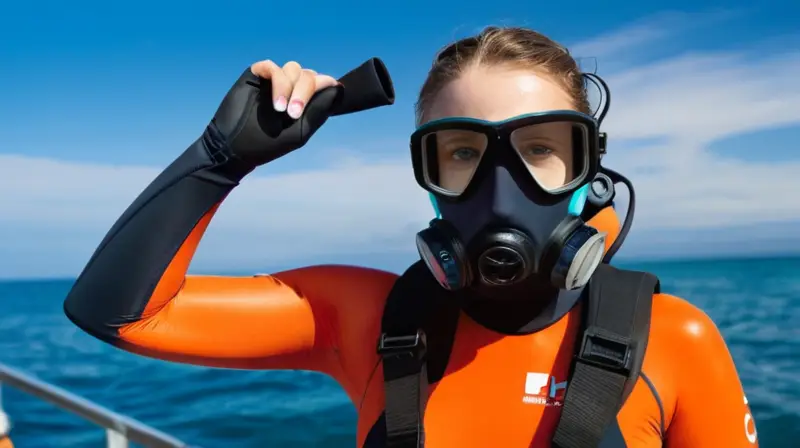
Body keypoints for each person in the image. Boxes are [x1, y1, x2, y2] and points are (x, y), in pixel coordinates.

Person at [63, 26, 759, 447]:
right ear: (427, 174)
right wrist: (221, 156)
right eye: (462, 153)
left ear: (588, 170)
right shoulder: (365, 317)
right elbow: (119, 313)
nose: (500, 184)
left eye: (542, 149)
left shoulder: (672, 341)